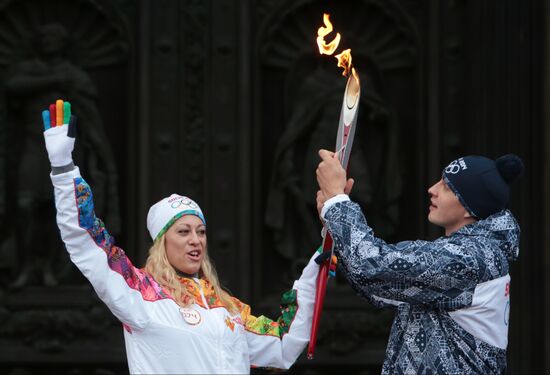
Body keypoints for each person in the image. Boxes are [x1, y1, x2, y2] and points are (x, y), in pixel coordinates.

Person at [42, 99, 320, 374]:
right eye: (183, 232)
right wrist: (63, 169)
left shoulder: (228, 309)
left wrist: (316, 268)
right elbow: (87, 242)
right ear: (163, 241)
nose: (195, 240)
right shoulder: (139, 293)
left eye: (200, 232)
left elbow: (283, 346)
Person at [316, 149, 523, 374]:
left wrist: (337, 201)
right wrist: (334, 219)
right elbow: (381, 287)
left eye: (446, 186)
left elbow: (373, 265)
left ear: (469, 207)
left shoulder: (470, 259)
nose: (432, 190)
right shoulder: (476, 253)